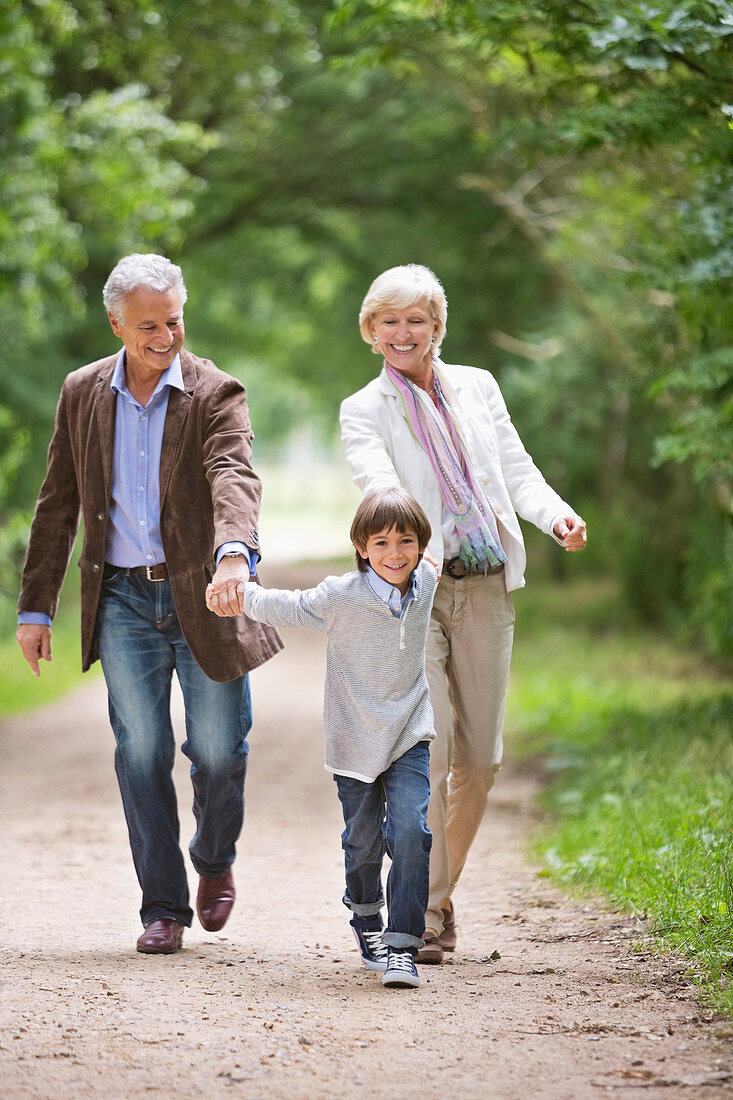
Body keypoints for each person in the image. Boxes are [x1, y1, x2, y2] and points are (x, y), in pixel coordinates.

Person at [16, 253, 282, 955]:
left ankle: (215, 857)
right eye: (147, 326)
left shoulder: (215, 391)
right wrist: (35, 608)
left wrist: (234, 554)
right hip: (124, 599)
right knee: (140, 751)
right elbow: (57, 503)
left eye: (173, 320)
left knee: (219, 751)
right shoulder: (81, 393)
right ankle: (162, 906)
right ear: (114, 323)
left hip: (208, 595)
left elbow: (234, 475)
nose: (165, 336)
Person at [340, 263, 587, 963]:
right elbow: (376, 480)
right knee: (433, 750)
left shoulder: (476, 387)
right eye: (387, 321)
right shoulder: (364, 409)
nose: (401, 333)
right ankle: (421, 912)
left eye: (414, 319)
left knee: (481, 761)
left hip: (485, 588)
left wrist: (556, 516)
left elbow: (514, 468)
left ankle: (434, 902)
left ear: (435, 326)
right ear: (370, 329)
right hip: (415, 593)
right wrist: (400, 548)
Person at [207, 487, 438, 988]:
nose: (394, 554)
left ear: (421, 546)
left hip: (408, 734)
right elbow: (287, 605)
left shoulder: (427, 579)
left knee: (412, 834)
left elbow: (451, 545)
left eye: (405, 541)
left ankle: (403, 947)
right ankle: (366, 918)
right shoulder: (341, 597)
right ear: (361, 548)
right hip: (354, 740)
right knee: (363, 843)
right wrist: (237, 594)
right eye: (380, 543)